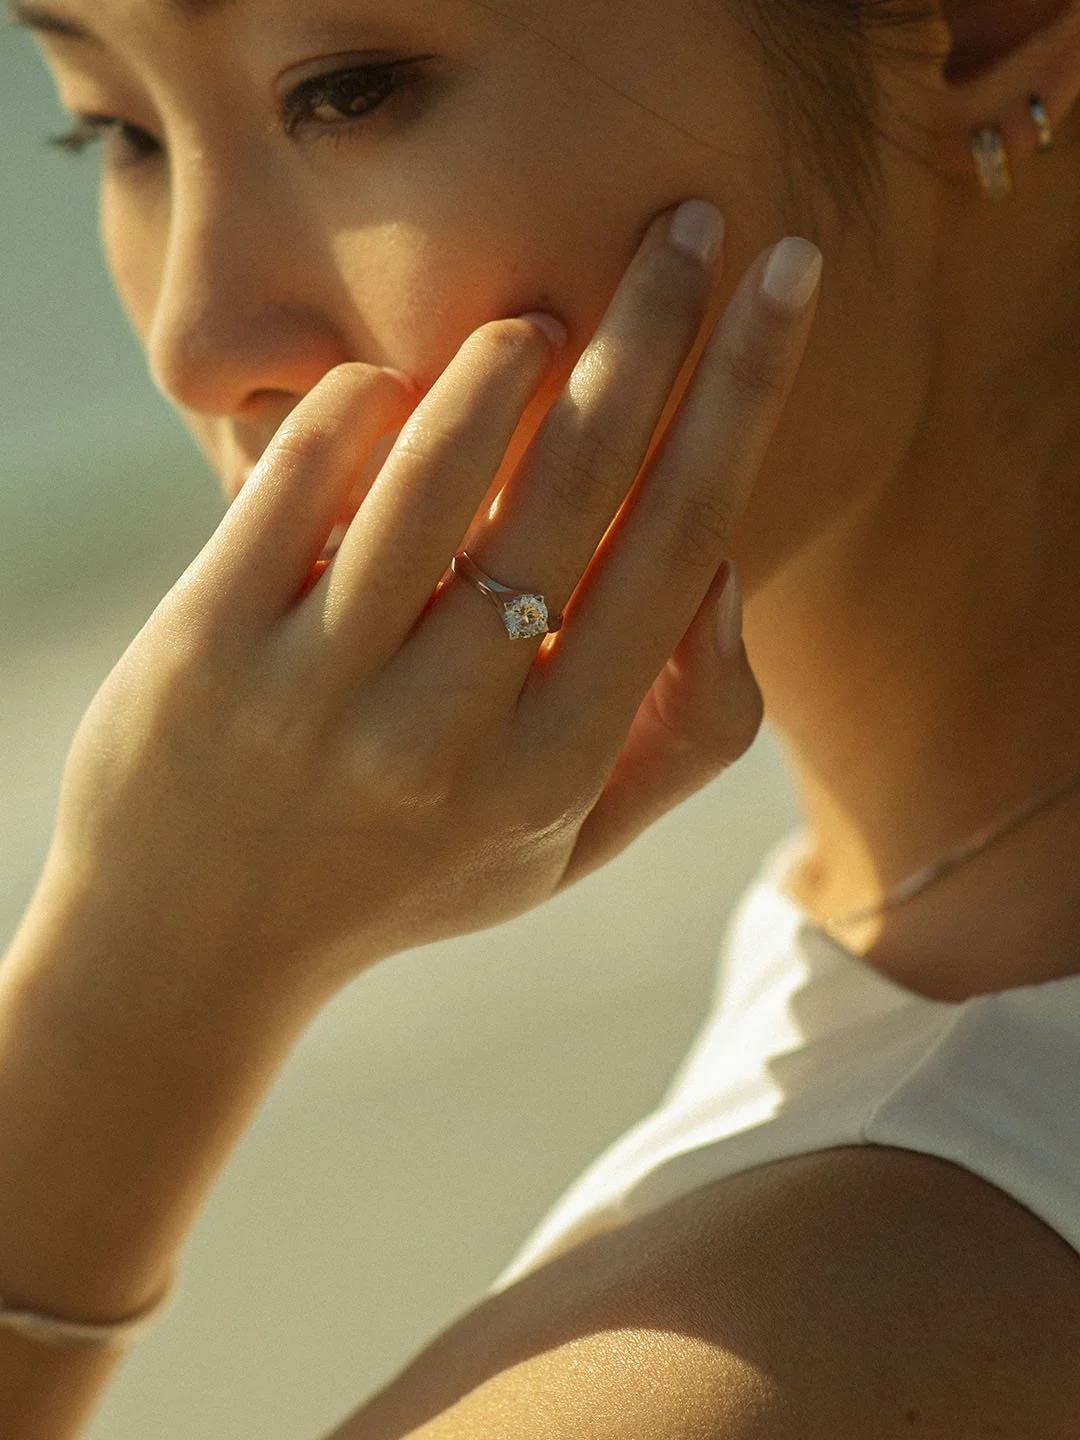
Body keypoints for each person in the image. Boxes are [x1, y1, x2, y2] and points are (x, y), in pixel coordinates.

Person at [2, 0, 1079, 1433]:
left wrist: (143, 987)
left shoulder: (793, 1348)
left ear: (974, 27)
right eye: (112, 131)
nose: (195, 346)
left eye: (347, 92)